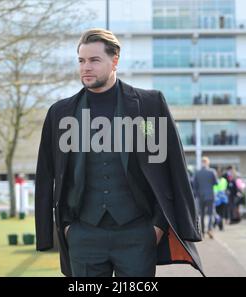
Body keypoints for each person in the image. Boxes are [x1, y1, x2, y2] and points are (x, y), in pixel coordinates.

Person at [34, 29, 203, 277]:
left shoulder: (149, 105)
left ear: (115, 61)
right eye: (81, 61)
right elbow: (46, 174)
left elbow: (170, 167)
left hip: (138, 235)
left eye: (94, 60)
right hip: (83, 235)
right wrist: (65, 228)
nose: (85, 67)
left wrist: (157, 225)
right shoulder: (61, 113)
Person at [193, 157, 218, 239]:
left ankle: (202, 231)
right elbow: (216, 183)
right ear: (208, 163)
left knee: (202, 214)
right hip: (210, 195)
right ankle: (210, 229)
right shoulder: (212, 172)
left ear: (202, 163)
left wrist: (196, 195)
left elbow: (195, 186)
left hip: (201, 196)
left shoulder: (197, 173)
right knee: (211, 213)